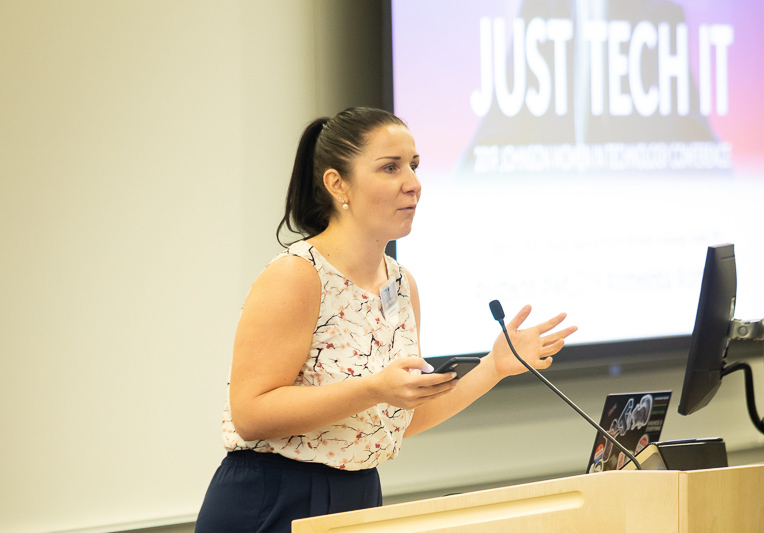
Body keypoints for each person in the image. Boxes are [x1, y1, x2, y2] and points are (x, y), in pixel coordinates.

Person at [195, 107, 577, 532]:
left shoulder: (401, 283)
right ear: (337, 184)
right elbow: (251, 413)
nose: (413, 184)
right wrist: (374, 388)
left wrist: (493, 368)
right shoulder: (298, 275)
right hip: (275, 497)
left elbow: (400, 417)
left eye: (413, 166)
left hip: (359, 494)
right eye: (390, 168)